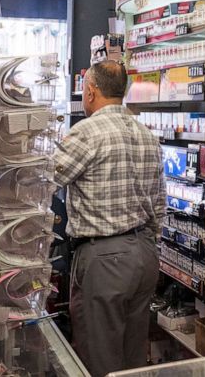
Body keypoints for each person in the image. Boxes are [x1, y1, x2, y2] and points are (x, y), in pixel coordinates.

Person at [53, 60, 164, 376]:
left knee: (98, 359)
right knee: (132, 361)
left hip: (104, 259)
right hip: (144, 255)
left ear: (90, 91)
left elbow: (43, 181)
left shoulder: (86, 133)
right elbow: (159, 206)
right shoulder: (147, 135)